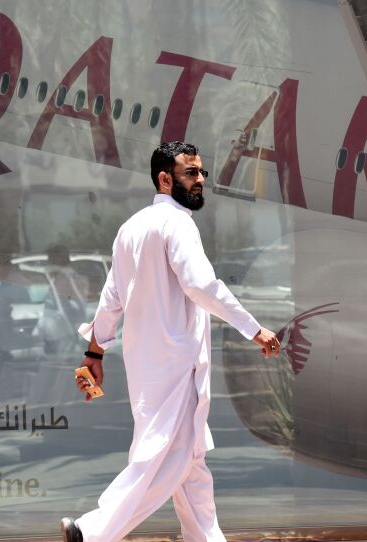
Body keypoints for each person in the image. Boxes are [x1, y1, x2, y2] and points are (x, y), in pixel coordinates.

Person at [61, 142, 281, 542]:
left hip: (149, 369)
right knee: (166, 460)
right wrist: (253, 329)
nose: (200, 181)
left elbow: (111, 298)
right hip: (178, 367)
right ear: (165, 179)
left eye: (201, 173)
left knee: (191, 467)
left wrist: (95, 351)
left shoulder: (131, 228)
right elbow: (200, 285)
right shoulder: (177, 224)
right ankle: (89, 533)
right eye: (191, 173)